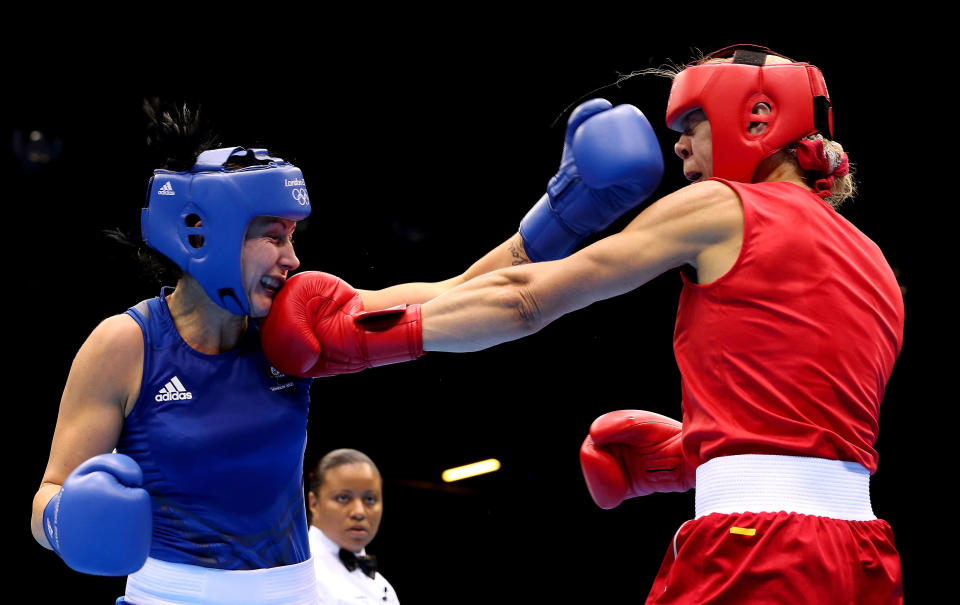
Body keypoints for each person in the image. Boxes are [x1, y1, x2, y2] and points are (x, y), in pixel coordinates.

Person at [261, 45, 905, 604]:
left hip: (755, 546)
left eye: (693, 122)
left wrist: (357, 328)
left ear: (757, 117)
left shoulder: (722, 207)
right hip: (864, 554)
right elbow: (816, 432)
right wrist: (691, 455)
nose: (677, 142)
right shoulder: (874, 265)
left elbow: (523, 299)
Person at [30, 99, 664, 603]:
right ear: (206, 235)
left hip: (295, 592)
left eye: (293, 235)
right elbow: (49, 491)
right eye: (272, 235)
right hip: (171, 594)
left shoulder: (294, 328)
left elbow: (457, 294)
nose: (293, 258)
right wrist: (65, 520)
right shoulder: (126, 344)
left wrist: (566, 214)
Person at [307, 449, 399, 604]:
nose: (359, 512)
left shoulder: (382, 586)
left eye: (370, 499)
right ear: (314, 503)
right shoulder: (294, 573)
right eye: (343, 498)